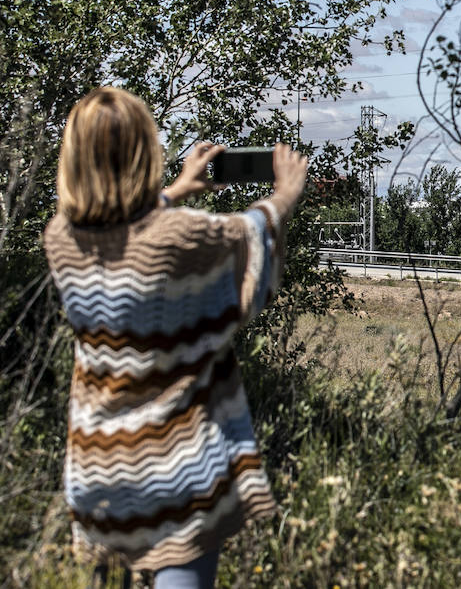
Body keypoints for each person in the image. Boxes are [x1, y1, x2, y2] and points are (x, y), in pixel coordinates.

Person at [42, 88, 308, 588]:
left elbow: (126, 232)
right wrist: (284, 196)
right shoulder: (181, 237)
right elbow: (251, 237)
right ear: (146, 152)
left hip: (97, 468)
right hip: (177, 470)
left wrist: (177, 190)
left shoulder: (60, 237)